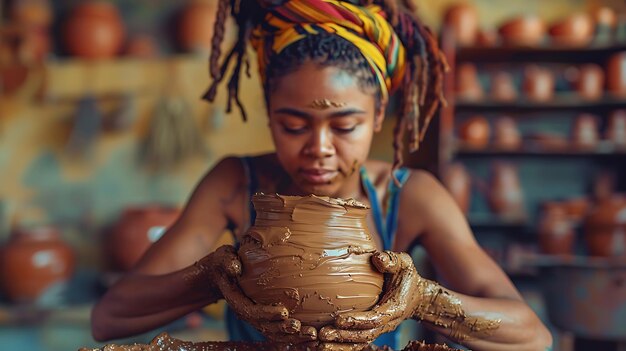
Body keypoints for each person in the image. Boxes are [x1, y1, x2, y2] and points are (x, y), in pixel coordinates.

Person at [91, 1, 553, 350]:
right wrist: (214, 279)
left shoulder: (408, 198)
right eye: (292, 126)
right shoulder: (236, 183)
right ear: (270, 117)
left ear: (377, 117)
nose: (319, 148)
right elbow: (109, 318)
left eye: (344, 126)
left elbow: (533, 335)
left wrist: (423, 301)